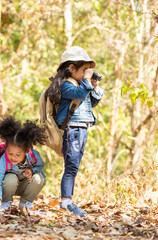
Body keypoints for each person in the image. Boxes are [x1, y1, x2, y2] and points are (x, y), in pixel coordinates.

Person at [47, 46, 105, 217]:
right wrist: (86, 83)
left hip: (82, 128)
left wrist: (94, 86)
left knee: (74, 166)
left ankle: (68, 201)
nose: (87, 73)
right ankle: (66, 202)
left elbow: (90, 103)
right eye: (84, 70)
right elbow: (79, 96)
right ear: (71, 68)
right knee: (71, 166)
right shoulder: (66, 85)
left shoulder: (82, 85)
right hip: (72, 129)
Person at [0, 116, 47, 211]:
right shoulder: (4, 160)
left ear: (27, 150)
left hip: (26, 185)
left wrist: (32, 171)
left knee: (38, 178)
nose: (13, 157)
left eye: (18, 154)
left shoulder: (34, 156)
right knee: (10, 178)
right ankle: (6, 203)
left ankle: (25, 203)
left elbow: (40, 166)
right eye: (10, 153)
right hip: (9, 186)